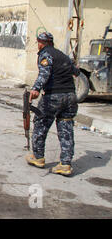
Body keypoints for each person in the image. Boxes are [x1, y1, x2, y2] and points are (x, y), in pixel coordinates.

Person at [26, 32, 80, 176]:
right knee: (66, 128)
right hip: (70, 96)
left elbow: (44, 73)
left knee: (41, 124)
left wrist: (36, 88)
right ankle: (66, 164)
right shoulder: (63, 55)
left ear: (41, 43)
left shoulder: (45, 54)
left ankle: (38, 157)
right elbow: (76, 72)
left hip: (53, 97)